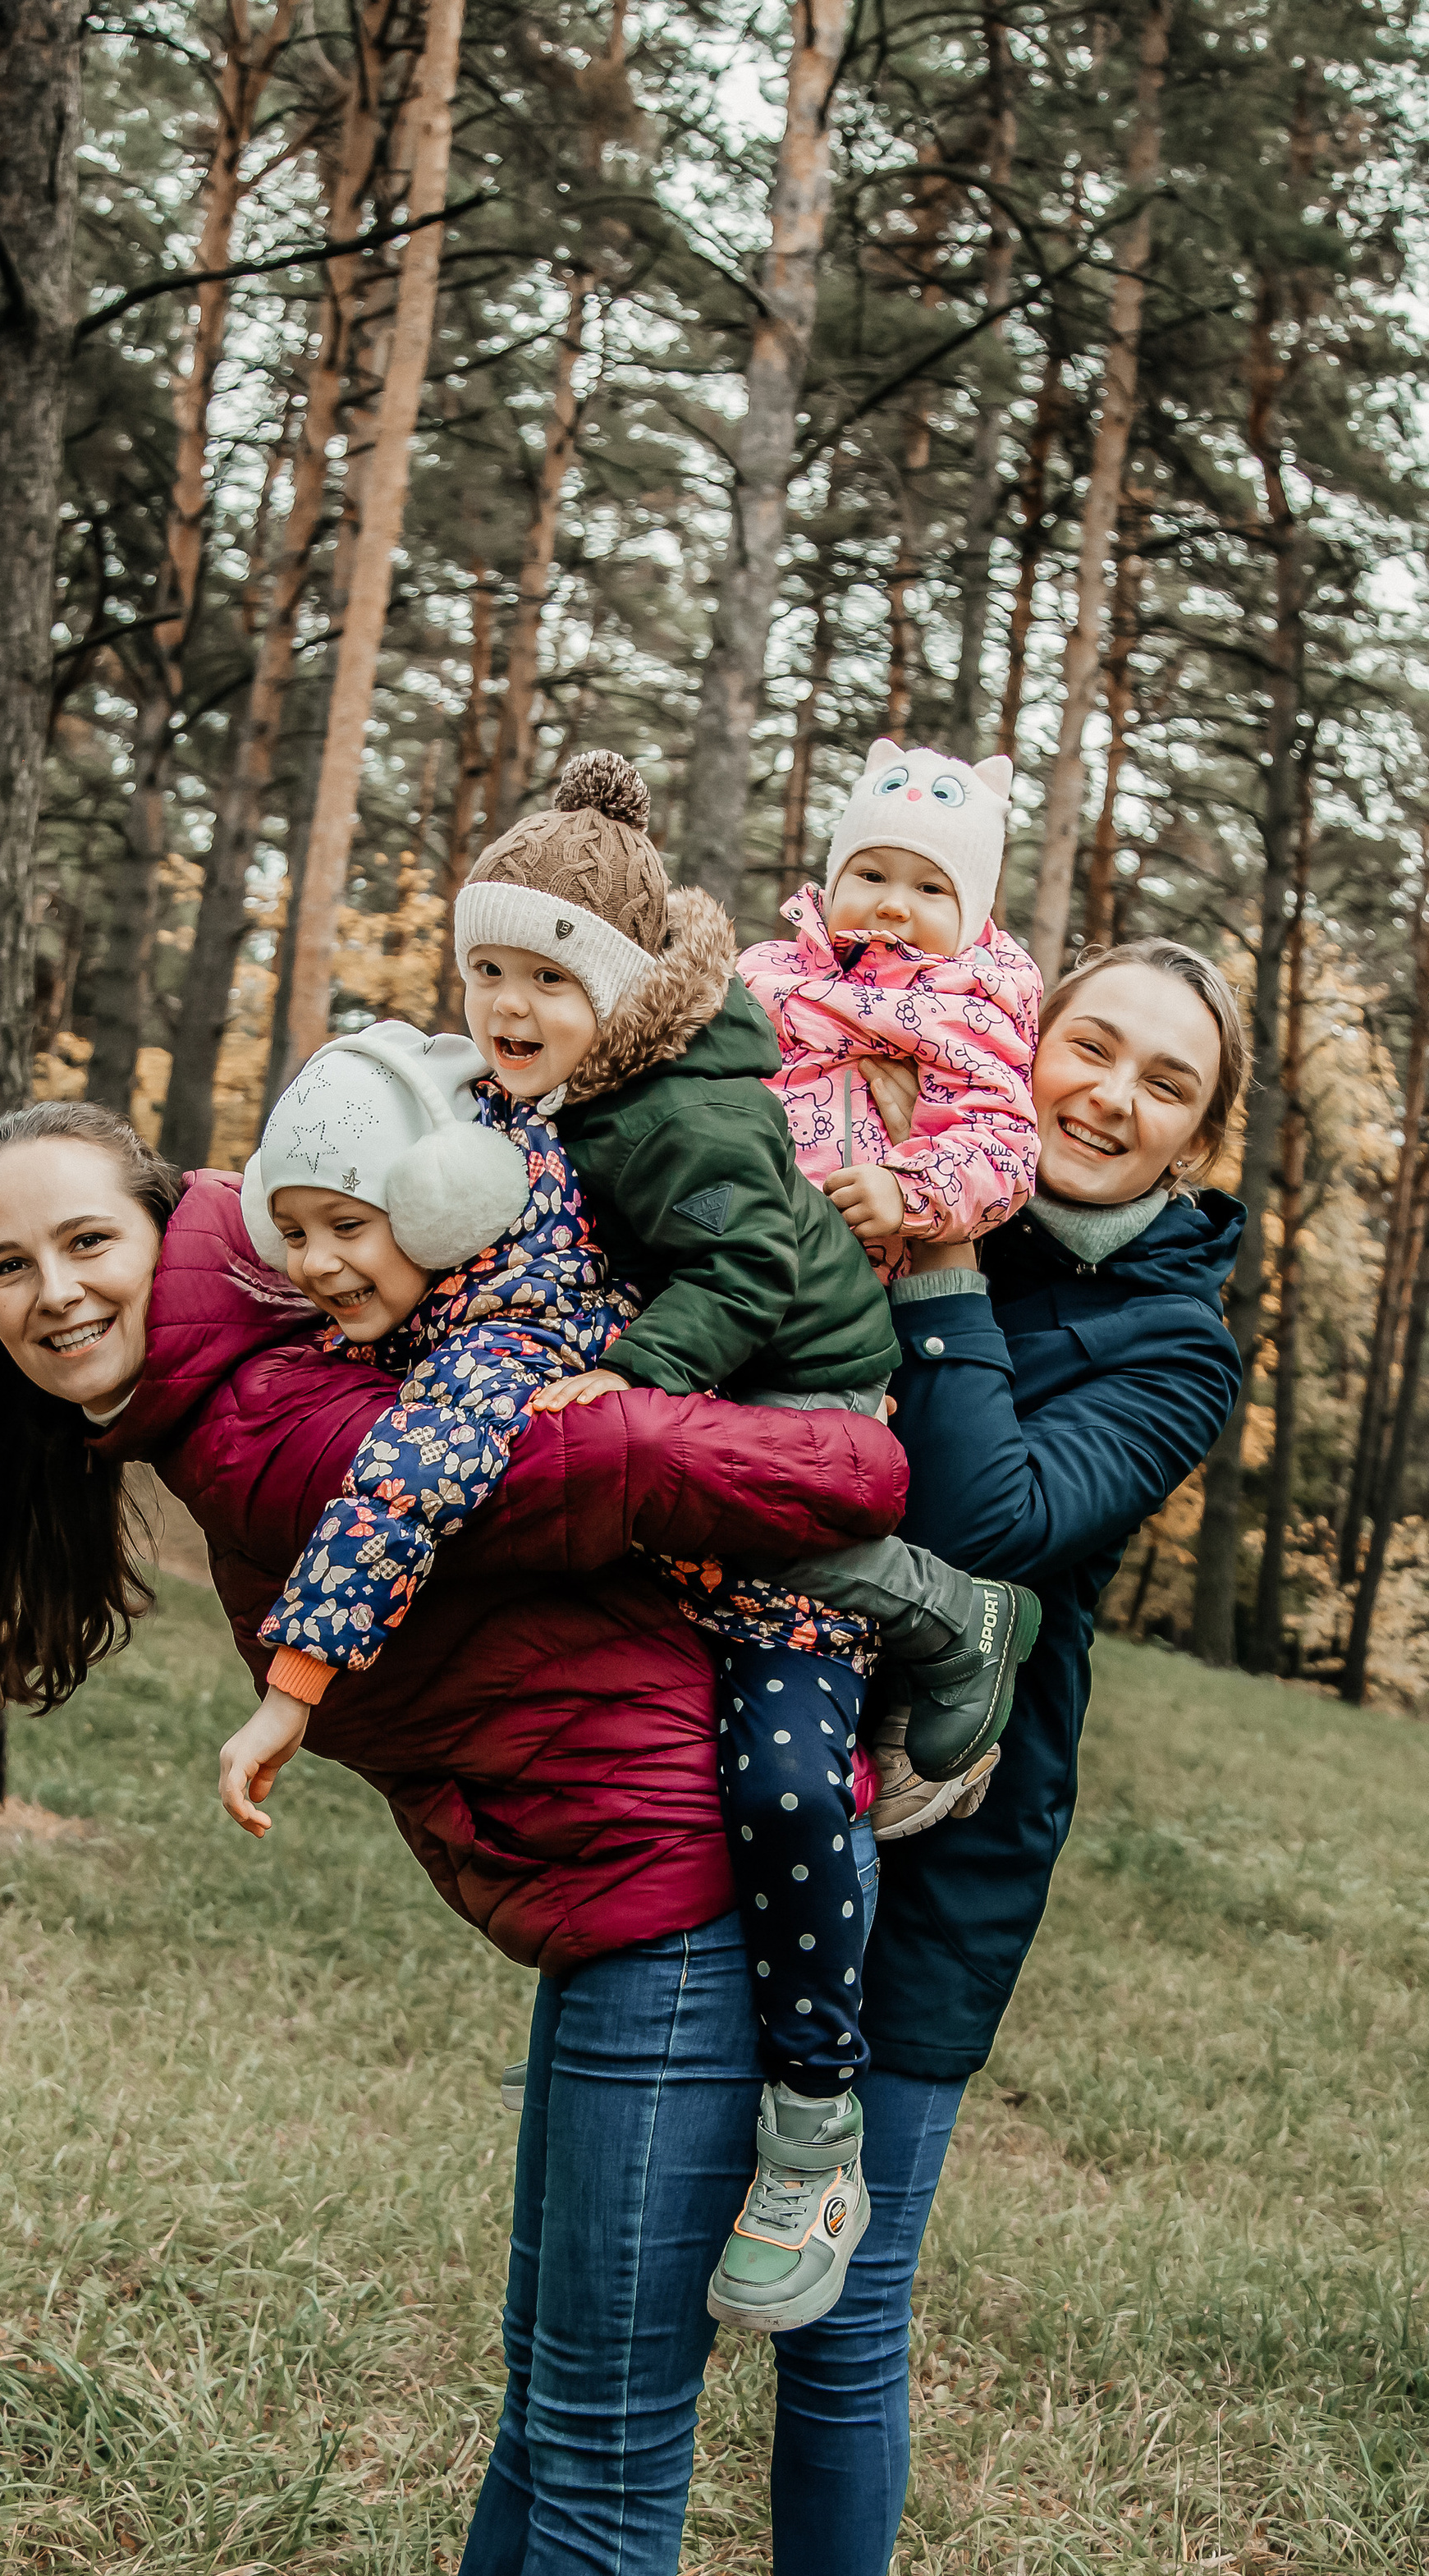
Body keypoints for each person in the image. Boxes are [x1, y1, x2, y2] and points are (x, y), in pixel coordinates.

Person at [0, 1092, 909, 2576]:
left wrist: (864, 1462)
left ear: (158, 1210)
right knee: (555, 2413)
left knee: (601, 2464)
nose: (54, 1290)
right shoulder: (220, 1368)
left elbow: (606, 1451)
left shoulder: (265, 1411)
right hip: (609, 1889)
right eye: (8, 1269)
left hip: (675, 1888)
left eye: (82, 1239)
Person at [716, 937, 1253, 2576]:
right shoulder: (876, 1132)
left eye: (1156, 1080)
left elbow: (992, 1506)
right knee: (641, 2275)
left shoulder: (1170, 1336)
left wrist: (929, 1253)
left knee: (841, 2307)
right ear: (1022, 1037)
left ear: (1198, 1135)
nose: (1102, 1088)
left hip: (952, 1845)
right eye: (1081, 1042)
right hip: (760, 1749)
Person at [431, 749, 1037, 2335]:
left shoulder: (680, 1109)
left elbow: (757, 1264)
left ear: (618, 988)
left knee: (781, 1771)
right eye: (483, 970)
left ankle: (816, 2126)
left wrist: (635, 1376)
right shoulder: (623, 1074)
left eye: (541, 972)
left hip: (808, 1399)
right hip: (740, 1392)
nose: (506, 1001)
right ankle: (622, 2034)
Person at [740, 736, 1042, 1285]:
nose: (893, 904)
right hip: (722, 1230)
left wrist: (908, 1191)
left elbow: (1002, 1148)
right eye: (871, 875)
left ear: (970, 918)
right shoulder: (769, 972)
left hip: (849, 1286)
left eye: (930, 888)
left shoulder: (969, 1014)